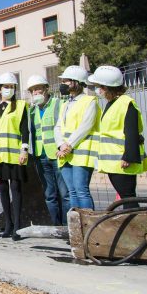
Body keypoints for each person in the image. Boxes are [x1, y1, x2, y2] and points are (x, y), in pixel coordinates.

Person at [88, 66, 147, 209]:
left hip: (122, 161)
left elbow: (131, 132)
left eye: (99, 86)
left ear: (107, 87)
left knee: (128, 198)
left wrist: (129, 156)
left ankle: (134, 226)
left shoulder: (126, 104)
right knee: (126, 198)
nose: (97, 89)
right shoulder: (112, 104)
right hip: (114, 161)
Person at [54, 65, 100, 210]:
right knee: (72, 192)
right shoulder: (66, 104)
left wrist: (68, 145)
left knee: (81, 191)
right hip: (65, 154)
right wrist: (61, 144)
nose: (63, 84)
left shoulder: (90, 101)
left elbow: (85, 127)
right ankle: (77, 226)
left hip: (81, 154)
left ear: (77, 82)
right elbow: (58, 127)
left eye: (67, 81)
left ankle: (89, 226)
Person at [26, 75, 70, 226]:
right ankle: (54, 225)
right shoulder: (32, 111)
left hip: (58, 155)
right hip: (41, 156)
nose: (36, 92)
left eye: (38, 88)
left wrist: (63, 146)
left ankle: (67, 226)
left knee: (65, 194)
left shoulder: (59, 104)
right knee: (49, 194)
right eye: (32, 90)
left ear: (46, 89)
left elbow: (64, 127)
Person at [0, 73, 29, 241]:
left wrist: (24, 150)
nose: (9, 89)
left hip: (15, 156)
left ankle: (17, 226)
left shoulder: (21, 105)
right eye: (6, 86)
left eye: (12, 87)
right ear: (0, 89)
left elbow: (24, 130)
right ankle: (7, 223)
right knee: (3, 191)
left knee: (16, 190)